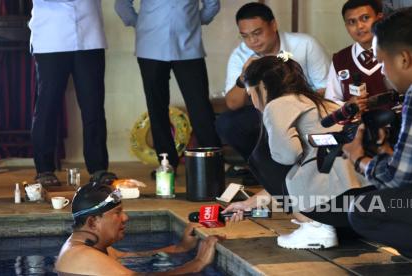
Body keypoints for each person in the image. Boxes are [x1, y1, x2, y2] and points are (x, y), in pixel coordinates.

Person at [341, 7, 412, 265]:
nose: (382, 71)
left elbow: (397, 180)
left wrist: (358, 158)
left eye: (382, 62)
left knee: (363, 209)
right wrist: (389, 155)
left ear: (404, 59)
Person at [223, 55, 365, 250]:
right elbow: (300, 175)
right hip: (360, 207)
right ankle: (320, 225)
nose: (253, 101)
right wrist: (250, 204)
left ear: (262, 87)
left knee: (262, 156)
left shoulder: (277, 105)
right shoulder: (318, 102)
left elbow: (287, 157)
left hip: (333, 206)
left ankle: (314, 227)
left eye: (250, 93)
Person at [115, 0, 221, 176]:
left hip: (189, 47)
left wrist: (192, 21)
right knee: (157, 107)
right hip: (150, 47)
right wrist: (141, 23)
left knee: (200, 106)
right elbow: (122, 5)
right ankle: (166, 164)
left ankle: (212, 162)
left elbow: (212, 5)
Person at [215, 2, 330, 165]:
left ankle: (303, 163)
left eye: (257, 32)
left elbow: (325, 88)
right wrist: (243, 77)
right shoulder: (240, 55)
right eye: (245, 36)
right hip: (262, 112)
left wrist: (294, 103)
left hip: (302, 108)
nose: (253, 40)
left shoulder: (304, 45)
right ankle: (261, 166)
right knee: (226, 123)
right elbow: (232, 104)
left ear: (273, 25)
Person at [29, 0, 116, 186]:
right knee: (48, 106)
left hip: (90, 36)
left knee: (93, 106)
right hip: (52, 37)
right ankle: (44, 169)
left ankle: (99, 168)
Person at [55, 182, 221, 275]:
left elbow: (131, 256)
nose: (125, 217)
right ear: (92, 223)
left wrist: (180, 248)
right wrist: (197, 263)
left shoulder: (90, 246)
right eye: (117, 212)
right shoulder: (83, 255)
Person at [324, 0, 388, 111]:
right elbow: (330, 102)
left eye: (365, 18)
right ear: (346, 26)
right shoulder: (340, 59)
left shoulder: (395, 51)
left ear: (380, 18)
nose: (359, 26)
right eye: (352, 22)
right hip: (355, 126)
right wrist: (349, 106)